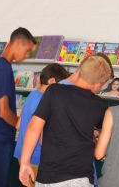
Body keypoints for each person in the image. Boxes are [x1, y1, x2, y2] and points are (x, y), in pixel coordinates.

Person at [19, 56, 112, 187]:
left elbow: (34, 128)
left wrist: (24, 163)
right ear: (98, 84)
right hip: (79, 178)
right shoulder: (99, 105)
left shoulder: (54, 91)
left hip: (47, 176)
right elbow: (105, 136)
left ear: (80, 72)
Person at [0, 27, 36, 187]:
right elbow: (3, 110)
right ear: (18, 43)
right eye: (27, 51)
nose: (26, 56)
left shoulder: (0, 66)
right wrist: (20, 125)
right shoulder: (4, 69)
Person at [14, 64, 69, 187]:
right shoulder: (46, 100)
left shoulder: (32, 94)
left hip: (23, 154)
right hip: (37, 157)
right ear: (52, 81)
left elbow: (18, 125)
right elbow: (43, 138)